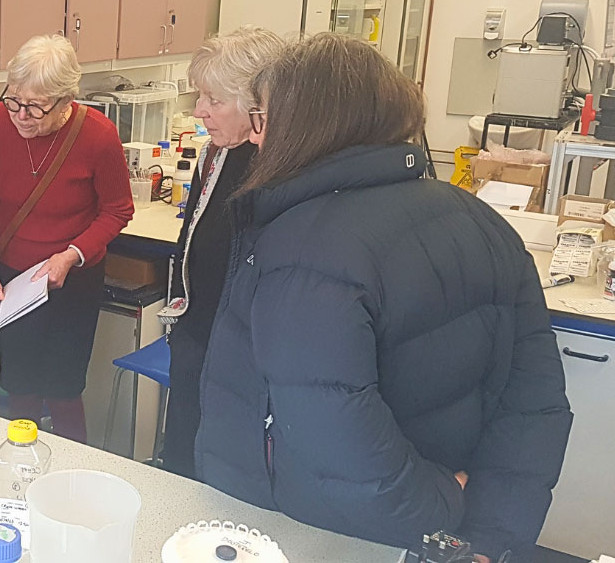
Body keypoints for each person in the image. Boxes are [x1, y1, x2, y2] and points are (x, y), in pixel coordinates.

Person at [194, 33, 572, 561]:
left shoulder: (305, 247)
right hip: (437, 532)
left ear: (308, 125)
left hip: (319, 531)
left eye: (262, 119)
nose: (257, 139)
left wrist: (441, 508)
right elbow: (535, 404)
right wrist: (488, 535)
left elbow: (336, 440)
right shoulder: (482, 221)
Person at [0, 34, 134, 443]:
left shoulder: (98, 135)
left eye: (36, 107)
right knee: (19, 384)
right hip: (13, 276)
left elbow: (118, 210)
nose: (21, 116)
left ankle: (71, 476)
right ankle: (19, 467)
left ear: (65, 101)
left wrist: (72, 255)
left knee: (63, 389)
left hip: (72, 278)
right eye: (14, 100)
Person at [159, 27, 284, 479]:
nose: (199, 112)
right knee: (181, 453)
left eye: (214, 100)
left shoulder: (277, 168)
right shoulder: (219, 151)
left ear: (259, 106)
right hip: (196, 327)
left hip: (239, 346)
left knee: (220, 467)